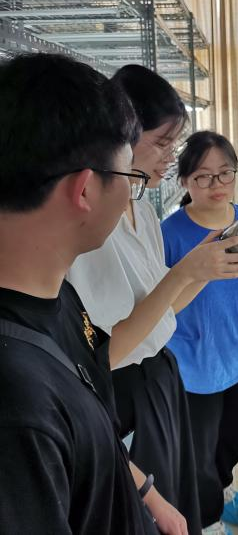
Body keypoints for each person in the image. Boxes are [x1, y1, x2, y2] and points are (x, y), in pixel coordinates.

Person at [67, 65, 238, 535]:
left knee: (183, 488)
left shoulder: (144, 211)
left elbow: (162, 310)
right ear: (121, 136)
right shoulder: (94, 229)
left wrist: (205, 269)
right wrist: (186, 272)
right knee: (153, 511)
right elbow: (102, 355)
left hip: (160, 378)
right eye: (162, 142)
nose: (169, 156)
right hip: (126, 394)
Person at [0, 53, 161, 534]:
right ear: (85, 189)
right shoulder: (19, 404)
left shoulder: (57, 298)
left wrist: (144, 493)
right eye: (131, 178)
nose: (132, 196)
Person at [161, 131, 238, 535]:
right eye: (203, 176)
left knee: (231, 442)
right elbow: (157, 307)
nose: (217, 185)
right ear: (184, 181)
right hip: (191, 370)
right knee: (197, 458)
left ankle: (223, 491)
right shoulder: (169, 235)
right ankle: (208, 520)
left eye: (225, 173)